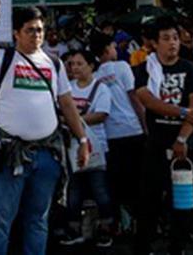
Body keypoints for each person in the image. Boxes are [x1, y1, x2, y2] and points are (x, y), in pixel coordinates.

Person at [0, 0, 89, 255]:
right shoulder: (4, 57)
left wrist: (83, 140)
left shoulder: (54, 64)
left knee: (38, 221)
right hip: (11, 155)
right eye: (30, 29)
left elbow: (67, 105)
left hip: (47, 157)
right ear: (16, 33)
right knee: (0, 221)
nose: (37, 34)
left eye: (40, 29)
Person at [131, 20, 193, 255]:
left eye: (175, 37)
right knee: (148, 198)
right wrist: (182, 111)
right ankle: (144, 246)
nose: (172, 43)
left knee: (180, 201)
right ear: (154, 43)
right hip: (157, 142)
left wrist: (181, 139)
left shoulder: (190, 68)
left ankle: (178, 247)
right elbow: (148, 101)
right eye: (166, 38)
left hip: (185, 143)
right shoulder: (145, 69)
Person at [90, 32, 146, 232]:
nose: (116, 50)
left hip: (111, 135)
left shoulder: (95, 77)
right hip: (133, 130)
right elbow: (135, 98)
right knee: (138, 180)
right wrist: (145, 126)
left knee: (117, 182)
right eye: (113, 47)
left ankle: (121, 222)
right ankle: (140, 222)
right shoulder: (123, 67)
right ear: (107, 50)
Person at [60, 49, 115, 248]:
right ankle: (74, 228)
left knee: (100, 190)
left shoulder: (101, 88)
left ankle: (105, 228)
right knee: (73, 190)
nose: (74, 67)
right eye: (72, 64)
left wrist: (72, 120)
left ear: (91, 66)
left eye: (79, 63)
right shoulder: (68, 88)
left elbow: (101, 114)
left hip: (96, 146)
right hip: (71, 146)